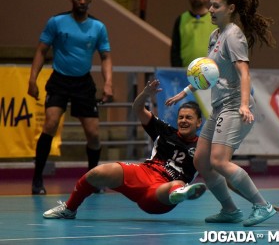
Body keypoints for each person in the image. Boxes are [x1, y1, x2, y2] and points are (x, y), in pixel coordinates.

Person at [166, 0, 278, 227]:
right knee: (202, 162)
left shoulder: (234, 35)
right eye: (210, 5)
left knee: (219, 160)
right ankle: (230, 210)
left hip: (235, 105)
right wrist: (184, 92)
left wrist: (245, 105)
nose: (210, 10)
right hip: (219, 107)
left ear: (231, 8)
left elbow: (244, 73)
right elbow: (208, 73)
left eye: (216, 6)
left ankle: (262, 205)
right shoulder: (215, 36)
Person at [42, 80, 206, 219]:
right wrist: (145, 94)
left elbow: (219, 168)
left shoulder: (203, 147)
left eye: (189, 118)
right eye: (181, 117)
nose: (183, 121)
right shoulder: (165, 132)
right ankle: (69, 209)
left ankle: (181, 193)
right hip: (143, 173)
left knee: (176, 185)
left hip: (161, 191)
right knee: (97, 173)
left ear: (199, 122)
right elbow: (137, 109)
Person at [28, 0, 113, 195]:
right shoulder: (56, 22)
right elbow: (41, 51)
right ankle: (37, 180)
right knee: (50, 123)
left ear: (90, 0)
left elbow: (105, 57)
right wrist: (32, 79)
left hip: (83, 83)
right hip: (59, 80)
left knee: (93, 134)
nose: (82, 1)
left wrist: (108, 83)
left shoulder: (98, 27)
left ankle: (92, 179)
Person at [170, 0, 217, 67]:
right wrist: (177, 69)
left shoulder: (215, 18)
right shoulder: (181, 19)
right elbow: (175, 49)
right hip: (185, 72)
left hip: (211, 72)